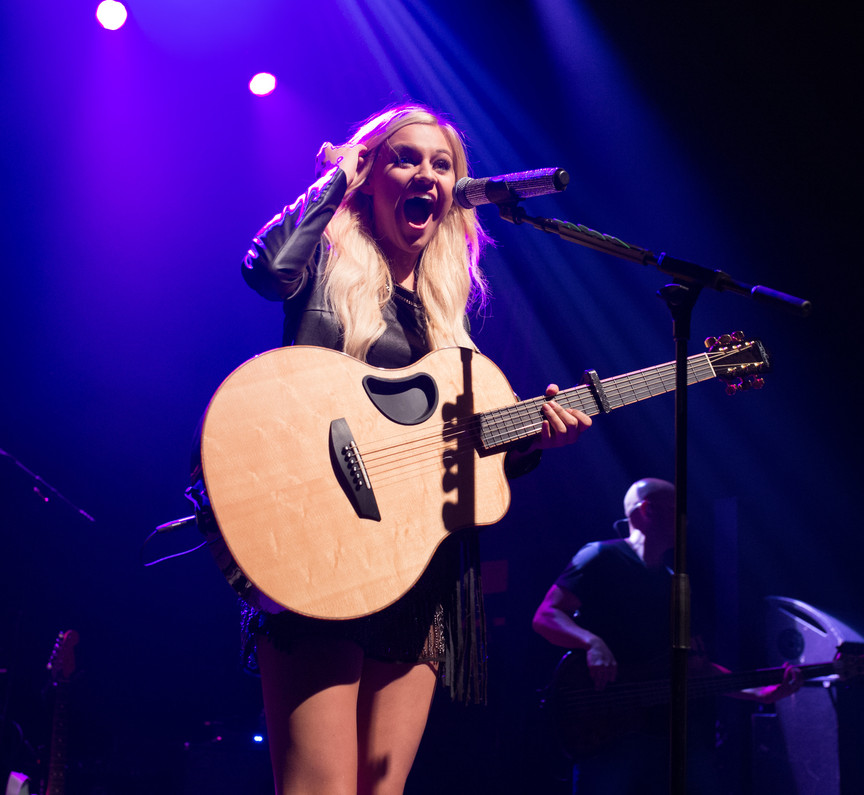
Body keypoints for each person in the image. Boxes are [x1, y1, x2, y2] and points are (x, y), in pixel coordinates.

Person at [236, 103, 592, 795]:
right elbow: (264, 268)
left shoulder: (445, 316)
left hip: (417, 568)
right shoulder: (324, 267)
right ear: (372, 173)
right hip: (321, 549)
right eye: (405, 158)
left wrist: (530, 439)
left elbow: (459, 466)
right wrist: (338, 176)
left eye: (442, 164)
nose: (427, 173)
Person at [532, 477, 802, 794]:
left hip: (668, 736)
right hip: (607, 730)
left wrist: (761, 694)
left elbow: (694, 668)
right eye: (676, 508)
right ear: (646, 510)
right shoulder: (599, 557)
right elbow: (546, 615)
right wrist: (592, 642)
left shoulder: (679, 585)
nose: (684, 519)